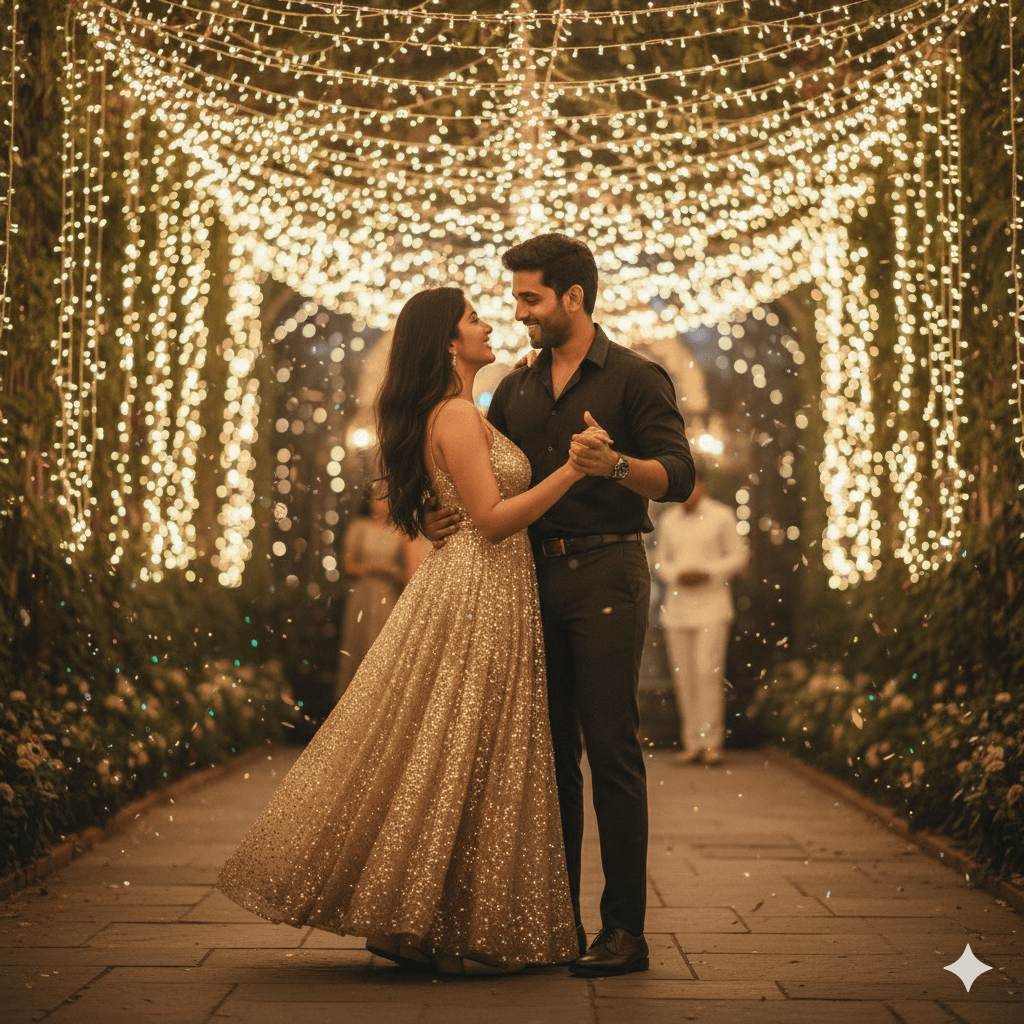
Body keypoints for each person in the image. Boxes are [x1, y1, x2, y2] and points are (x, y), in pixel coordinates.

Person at [218, 286, 591, 974]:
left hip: (482, 585)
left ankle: (420, 918)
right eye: (474, 319)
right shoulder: (453, 414)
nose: (489, 326)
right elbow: (492, 518)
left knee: (456, 747)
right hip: (479, 587)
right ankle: (447, 925)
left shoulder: (460, 412)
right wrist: (572, 469)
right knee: (467, 745)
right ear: (449, 342)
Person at [426, 233, 694, 977]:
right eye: (513, 298)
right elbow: (487, 475)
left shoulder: (638, 377)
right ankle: (556, 922)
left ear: (574, 297)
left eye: (530, 298)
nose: (519, 312)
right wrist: (432, 512)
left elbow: (678, 476)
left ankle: (624, 932)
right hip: (525, 580)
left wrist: (613, 464)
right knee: (545, 762)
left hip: (607, 572)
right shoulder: (514, 387)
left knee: (609, 748)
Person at [653, 472, 748, 766]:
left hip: (712, 605)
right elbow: (659, 560)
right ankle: (692, 743)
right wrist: (677, 574)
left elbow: (739, 555)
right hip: (678, 606)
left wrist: (708, 572)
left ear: (703, 487)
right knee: (684, 677)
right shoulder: (669, 519)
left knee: (707, 672)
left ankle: (711, 744)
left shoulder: (721, 515)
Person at [335, 486, 413, 700]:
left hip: (388, 596)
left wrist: (394, 573)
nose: (381, 503)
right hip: (363, 594)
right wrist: (374, 567)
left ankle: (379, 700)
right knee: (358, 645)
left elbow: (408, 572)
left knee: (383, 647)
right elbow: (348, 566)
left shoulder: (401, 529)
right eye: (376, 499)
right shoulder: (359, 527)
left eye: (386, 499)